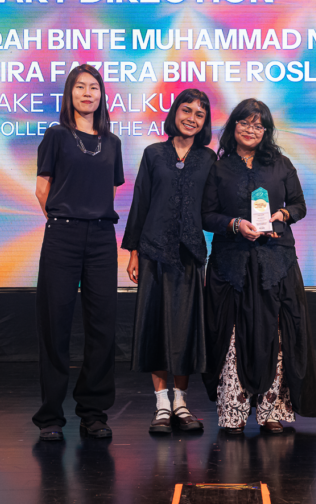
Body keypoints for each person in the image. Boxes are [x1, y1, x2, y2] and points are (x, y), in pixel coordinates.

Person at [201, 98, 316, 434]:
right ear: (233, 126)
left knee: (277, 335)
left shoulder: (281, 164)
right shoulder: (218, 168)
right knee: (232, 337)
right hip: (231, 265)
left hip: (276, 261)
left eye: (259, 125)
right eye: (245, 123)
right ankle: (234, 413)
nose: (251, 130)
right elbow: (206, 215)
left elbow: (299, 205)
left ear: (266, 131)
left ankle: (271, 412)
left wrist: (282, 214)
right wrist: (235, 224)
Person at [32, 64, 125, 441]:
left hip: (101, 238)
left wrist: (91, 218)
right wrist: (66, 219)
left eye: (95, 88)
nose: (88, 93)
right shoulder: (56, 135)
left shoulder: (112, 142)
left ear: (102, 95)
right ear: (69, 93)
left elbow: (111, 190)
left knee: (102, 327)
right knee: (55, 326)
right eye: (81, 87)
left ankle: (93, 413)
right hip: (63, 236)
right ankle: (51, 417)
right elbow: (43, 189)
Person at [122, 88, 217, 434]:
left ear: (205, 122)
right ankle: (162, 404)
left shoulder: (208, 158)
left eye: (199, 114)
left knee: (186, 330)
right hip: (153, 251)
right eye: (186, 110)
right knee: (156, 327)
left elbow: (213, 208)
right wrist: (133, 251)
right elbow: (141, 202)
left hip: (190, 254)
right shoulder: (153, 154)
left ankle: (181, 403)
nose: (191, 118)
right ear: (175, 112)